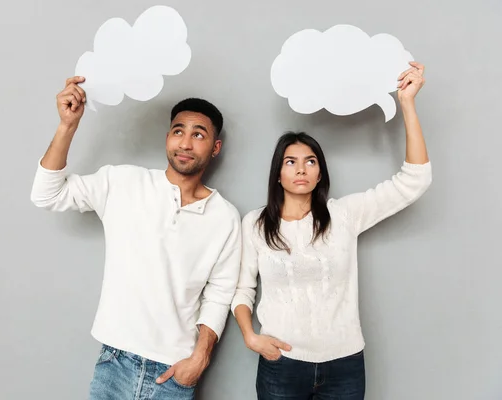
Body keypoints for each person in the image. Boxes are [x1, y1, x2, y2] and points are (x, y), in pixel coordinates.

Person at [30, 76, 242, 399]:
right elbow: (46, 195)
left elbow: (221, 293)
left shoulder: (225, 217)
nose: (185, 143)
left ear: (215, 148)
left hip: (173, 374)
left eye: (198, 134)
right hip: (114, 362)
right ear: (167, 138)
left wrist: (200, 357)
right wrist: (67, 126)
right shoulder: (124, 182)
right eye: (178, 131)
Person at [231, 61, 432, 399]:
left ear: (320, 173)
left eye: (311, 161)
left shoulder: (344, 214)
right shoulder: (255, 223)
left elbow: (414, 181)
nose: (301, 169)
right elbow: (242, 288)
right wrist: (250, 336)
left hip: (345, 364)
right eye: (290, 162)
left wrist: (407, 104)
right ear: (277, 173)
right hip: (282, 363)